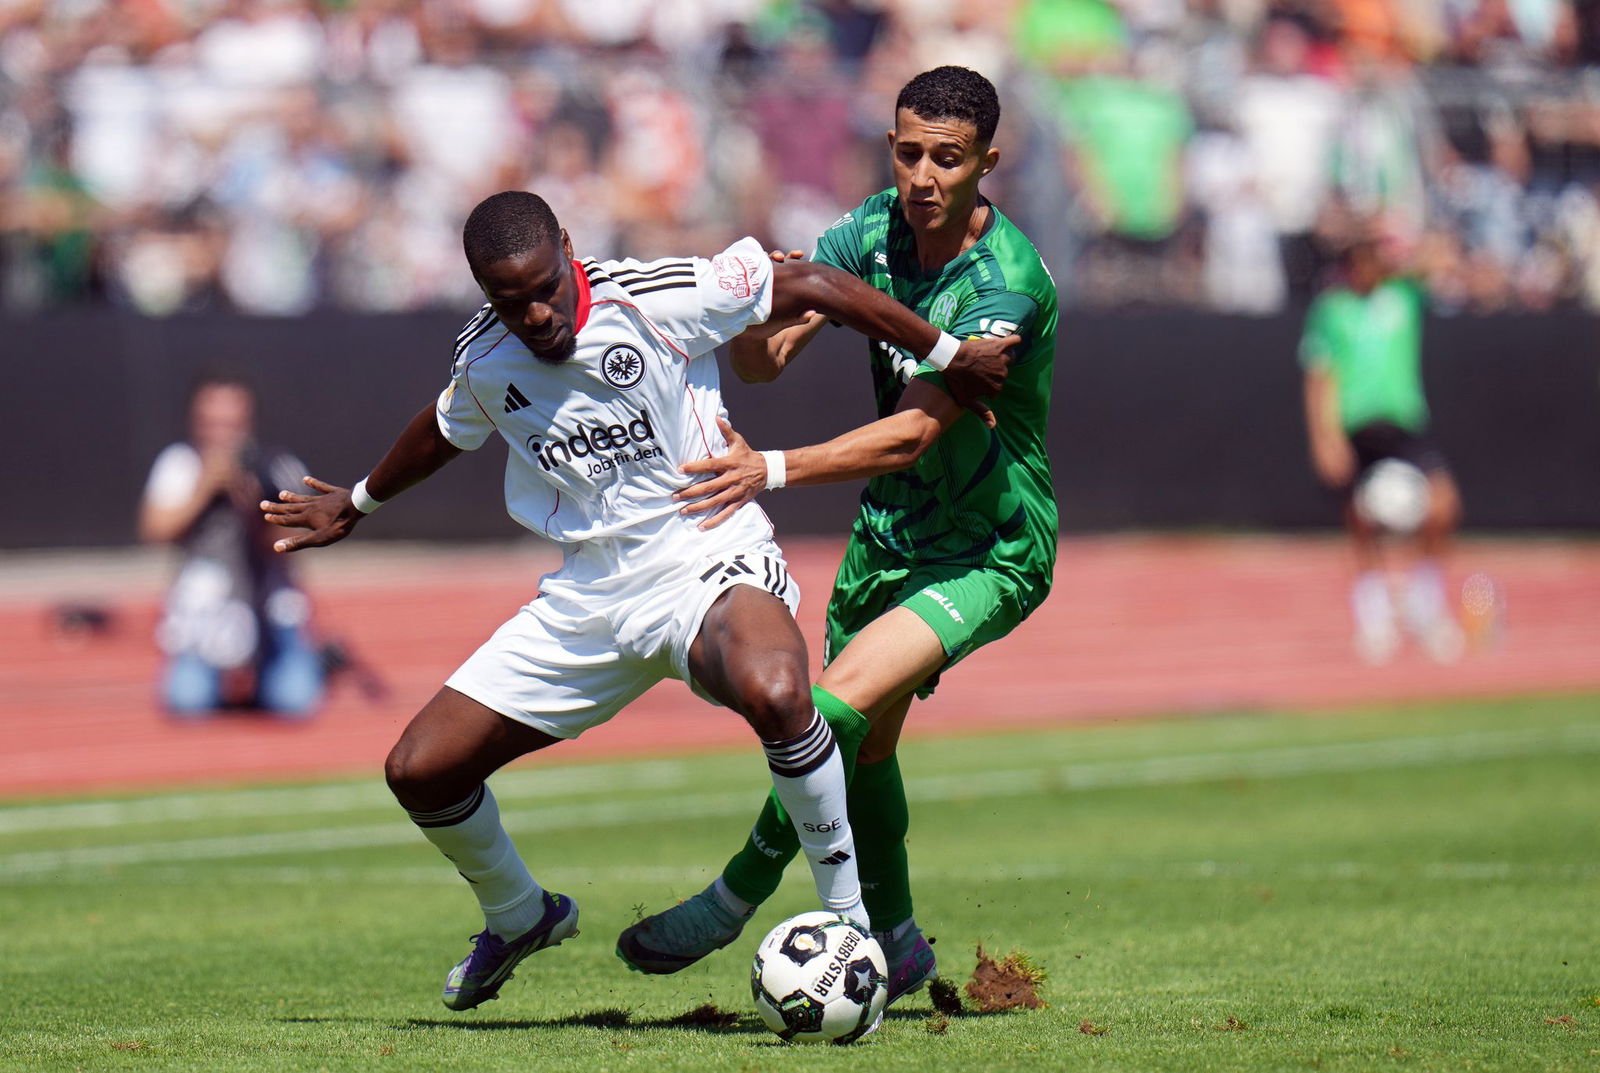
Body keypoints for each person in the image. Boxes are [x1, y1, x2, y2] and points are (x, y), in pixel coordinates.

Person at [259, 190, 1017, 1011]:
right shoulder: (486, 359)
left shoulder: (660, 295)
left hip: (706, 552)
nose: (537, 312)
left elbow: (819, 286)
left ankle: (851, 924)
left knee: (779, 692)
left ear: (569, 250)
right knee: (420, 770)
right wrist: (360, 501)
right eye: (512, 303)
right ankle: (519, 915)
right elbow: (444, 428)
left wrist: (945, 351)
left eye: (547, 286)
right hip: (588, 593)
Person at [616, 66, 1059, 1008]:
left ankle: (733, 893)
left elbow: (911, 432)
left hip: (988, 545)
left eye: (948, 158)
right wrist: (747, 302)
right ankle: (898, 945)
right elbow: (765, 362)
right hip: (889, 539)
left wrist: (765, 470)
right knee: (862, 752)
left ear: (988, 160)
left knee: (835, 707)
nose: (924, 176)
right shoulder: (870, 233)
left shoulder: (1006, 283)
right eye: (909, 153)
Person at [1300, 234, 1464, 663]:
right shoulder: (1332, 310)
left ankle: (1424, 604)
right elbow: (1320, 375)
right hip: (1358, 425)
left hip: (1403, 421)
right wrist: (1325, 437)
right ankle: (1373, 617)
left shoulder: (1403, 295)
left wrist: (1397, 259)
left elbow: (1443, 256)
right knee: (1360, 521)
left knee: (1443, 505)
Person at [140, 374, 324, 718]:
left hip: (270, 611)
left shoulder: (276, 466)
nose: (221, 435)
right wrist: (203, 489)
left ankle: (312, 660)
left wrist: (256, 509)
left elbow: (296, 543)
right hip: (203, 615)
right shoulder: (180, 463)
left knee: (294, 703)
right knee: (187, 703)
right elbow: (155, 530)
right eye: (211, 424)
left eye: (230, 425)